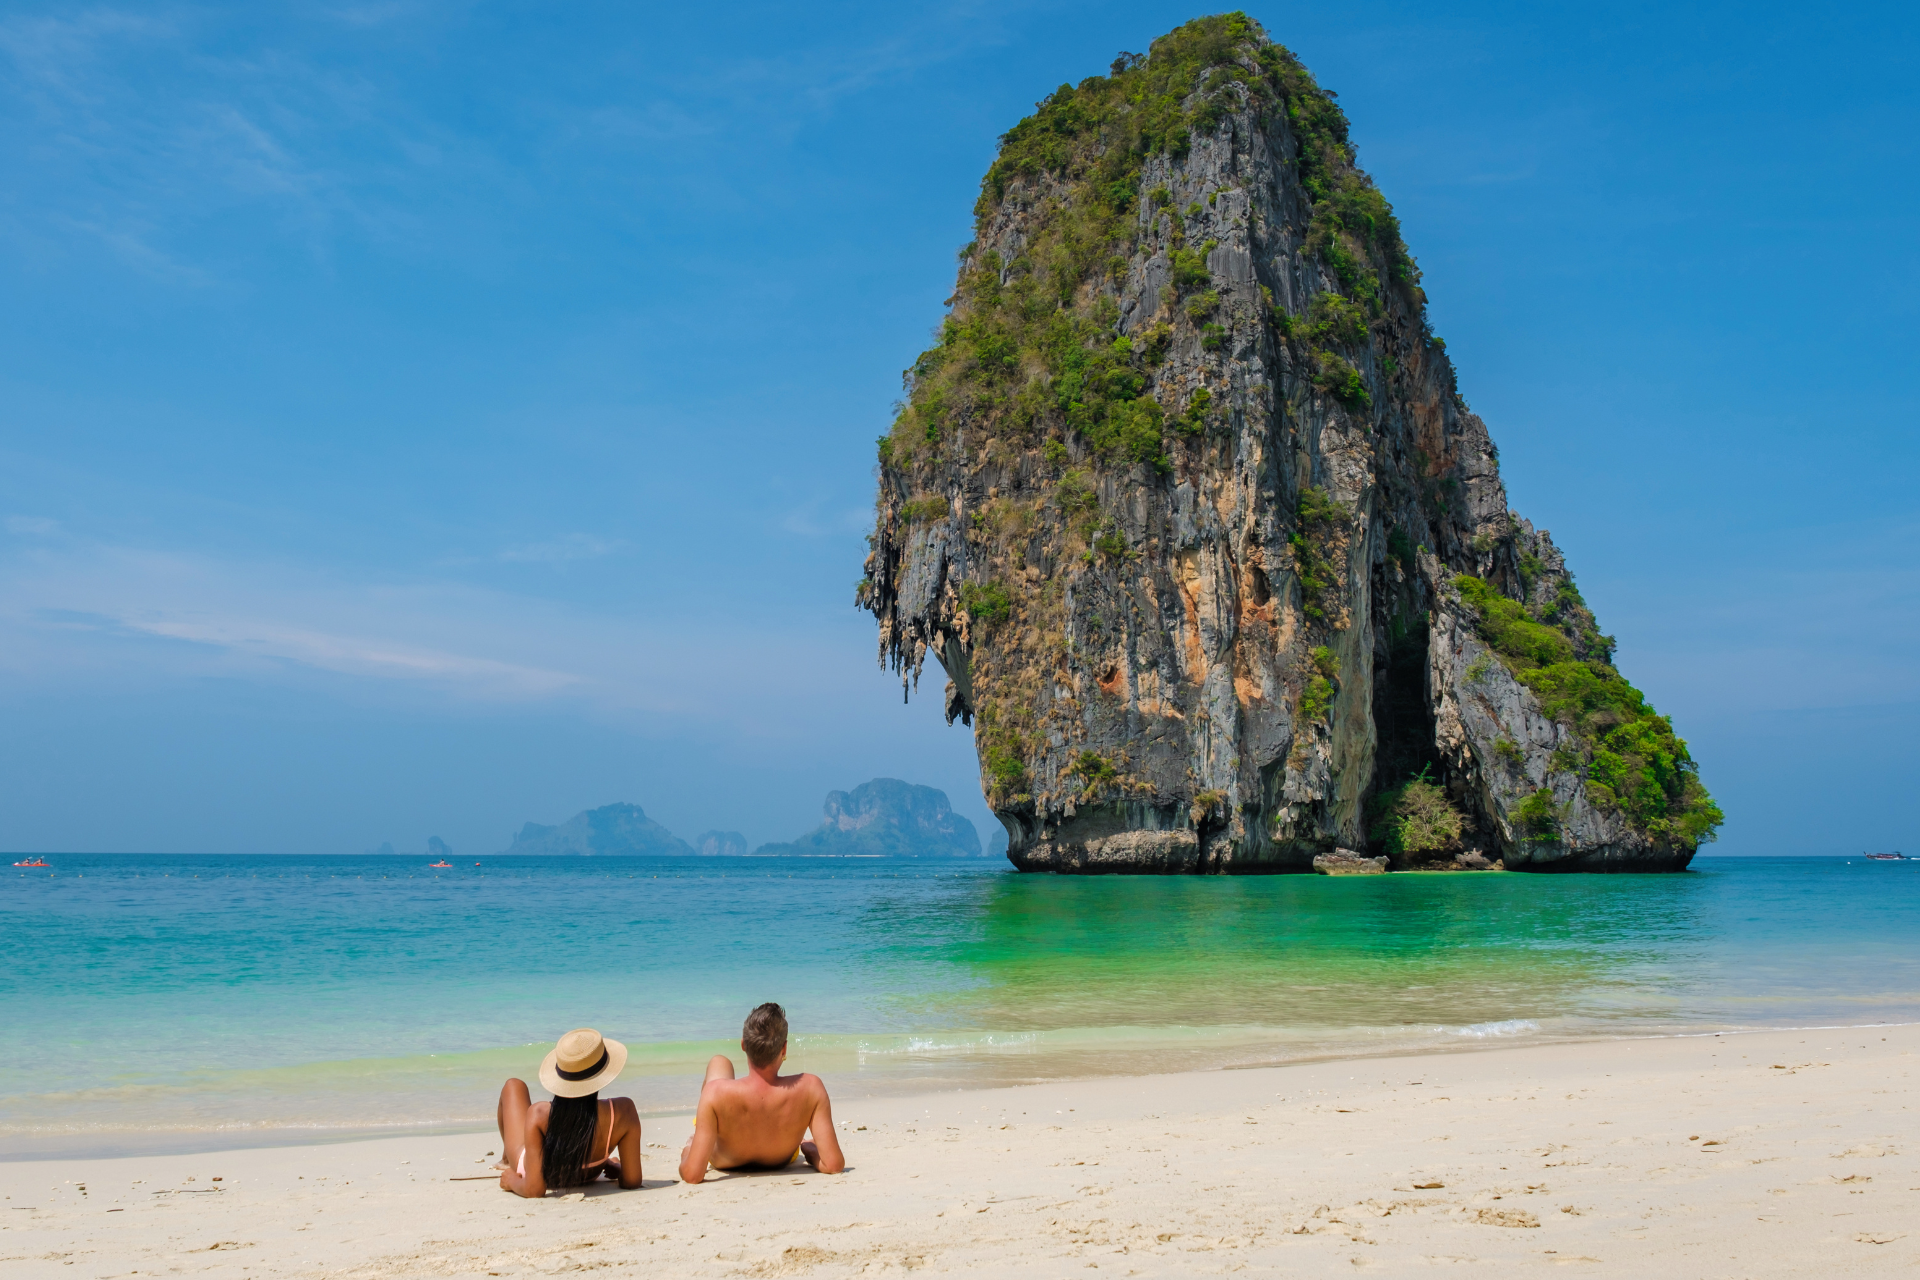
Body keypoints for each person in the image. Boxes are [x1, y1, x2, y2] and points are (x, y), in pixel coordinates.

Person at [678, 1002, 846, 1183]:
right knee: (721, 1065)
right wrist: (809, 1148)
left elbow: (692, 1175)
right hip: (780, 1158)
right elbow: (833, 1164)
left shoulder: (714, 1093)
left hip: (725, 1160)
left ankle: (704, 1133)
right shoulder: (812, 1087)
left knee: (719, 1063)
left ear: (743, 1045)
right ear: (784, 1049)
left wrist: (688, 1150)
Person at [496, 1028, 643, 1197]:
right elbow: (632, 1181)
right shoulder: (624, 1110)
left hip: (542, 1176)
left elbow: (534, 1189)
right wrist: (618, 1169)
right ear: (603, 1072)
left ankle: (507, 1160)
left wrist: (512, 1181)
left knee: (513, 1085)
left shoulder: (540, 1113)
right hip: (591, 1173)